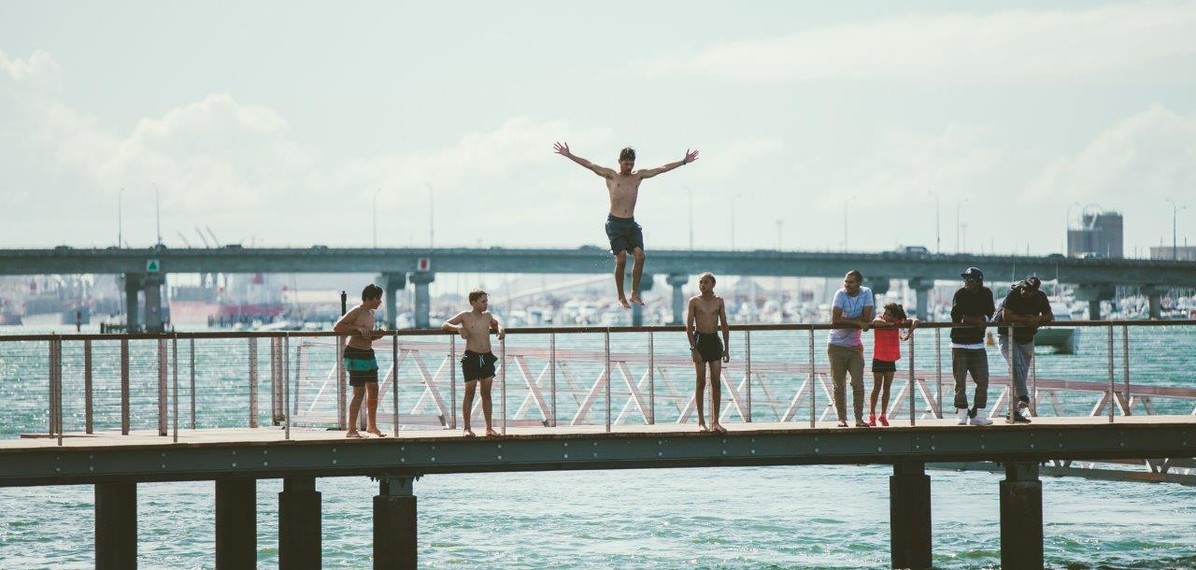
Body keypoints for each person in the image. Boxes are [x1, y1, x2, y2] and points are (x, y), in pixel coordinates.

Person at [553, 142, 699, 308]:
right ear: (619, 161)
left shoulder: (638, 176)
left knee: (640, 256)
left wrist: (684, 161)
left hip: (630, 224)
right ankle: (621, 296)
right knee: (621, 258)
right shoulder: (611, 175)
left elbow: (662, 168)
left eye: (631, 164)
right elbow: (589, 165)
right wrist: (569, 155)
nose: (629, 167)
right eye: (626, 163)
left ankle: (634, 293)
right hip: (614, 223)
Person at [442, 289, 505, 437]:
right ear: (474, 302)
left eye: (486, 301)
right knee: (469, 393)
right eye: (483, 302)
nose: (486, 304)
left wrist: (501, 330)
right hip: (471, 357)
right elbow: (444, 324)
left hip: (487, 357)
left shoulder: (487, 316)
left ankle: (489, 428)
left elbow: (497, 325)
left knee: (486, 394)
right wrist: (458, 328)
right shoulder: (465, 315)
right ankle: (466, 428)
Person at [333, 284, 389, 438]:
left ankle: (372, 426)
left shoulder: (371, 313)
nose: (380, 302)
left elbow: (367, 335)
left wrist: (377, 335)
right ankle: (351, 430)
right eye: (378, 299)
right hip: (355, 353)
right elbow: (337, 327)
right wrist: (357, 329)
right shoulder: (357, 310)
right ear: (369, 298)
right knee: (359, 393)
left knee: (374, 389)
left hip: (368, 353)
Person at [996, 276, 1053, 424]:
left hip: (1027, 339)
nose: (1023, 291)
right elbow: (1006, 315)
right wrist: (1028, 320)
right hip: (1007, 337)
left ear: (1035, 291)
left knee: (1019, 375)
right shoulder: (1013, 293)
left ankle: (1013, 413)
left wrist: (1037, 320)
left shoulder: (1040, 297)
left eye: (1028, 290)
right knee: (1016, 368)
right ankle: (1024, 397)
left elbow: (1049, 316)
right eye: (1023, 287)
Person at [685, 272, 731, 433]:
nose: (702, 285)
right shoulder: (694, 301)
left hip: (714, 341)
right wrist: (693, 349)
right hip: (700, 341)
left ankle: (716, 422)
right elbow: (689, 327)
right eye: (700, 282)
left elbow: (724, 325)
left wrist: (726, 348)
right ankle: (701, 422)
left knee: (716, 382)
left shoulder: (719, 301)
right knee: (700, 381)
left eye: (705, 282)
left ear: (713, 285)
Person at [828, 270, 875, 427]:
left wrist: (849, 320)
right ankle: (842, 419)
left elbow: (867, 319)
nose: (846, 285)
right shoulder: (840, 294)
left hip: (855, 347)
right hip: (836, 345)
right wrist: (858, 322)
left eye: (851, 282)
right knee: (838, 384)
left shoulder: (867, 293)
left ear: (859, 283)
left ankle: (859, 419)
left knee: (858, 383)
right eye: (845, 282)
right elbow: (835, 320)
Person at [950, 267, 996, 426]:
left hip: (977, 343)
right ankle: (962, 413)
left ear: (979, 282)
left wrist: (982, 318)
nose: (967, 283)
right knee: (960, 381)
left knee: (983, 380)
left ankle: (978, 414)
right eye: (965, 280)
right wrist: (978, 321)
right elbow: (956, 317)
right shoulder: (960, 294)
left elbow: (990, 312)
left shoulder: (987, 294)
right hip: (959, 343)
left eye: (970, 280)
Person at [869, 303, 916, 427]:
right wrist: (891, 324)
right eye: (885, 313)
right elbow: (876, 323)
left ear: (895, 316)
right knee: (876, 388)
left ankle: (883, 415)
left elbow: (915, 320)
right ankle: (872, 415)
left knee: (887, 389)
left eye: (889, 315)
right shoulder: (879, 319)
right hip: (878, 358)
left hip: (890, 360)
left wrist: (910, 331)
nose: (886, 316)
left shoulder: (898, 322)